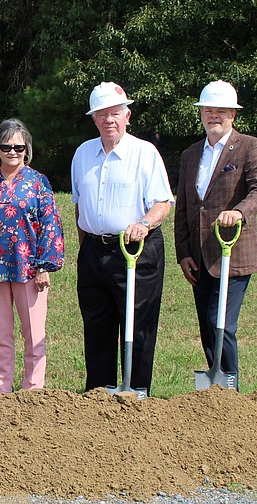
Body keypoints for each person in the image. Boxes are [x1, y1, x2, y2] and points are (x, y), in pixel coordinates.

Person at [71, 81, 173, 395]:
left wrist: (143, 223)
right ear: (94, 119)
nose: (109, 120)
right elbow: (78, 206)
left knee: (137, 327)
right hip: (93, 250)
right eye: (102, 114)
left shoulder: (145, 153)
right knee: (97, 326)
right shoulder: (83, 154)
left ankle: (137, 393)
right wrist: (87, 245)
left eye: (115, 113)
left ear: (127, 115)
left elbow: (163, 202)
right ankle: (99, 393)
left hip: (136, 250)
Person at [175, 80, 257, 380]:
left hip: (233, 252)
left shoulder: (250, 147)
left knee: (221, 322)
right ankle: (215, 387)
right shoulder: (191, 154)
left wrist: (239, 212)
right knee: (207, 324)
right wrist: (183, 253)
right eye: (208, 110)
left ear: (233, 114)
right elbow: (184, 207)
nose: (213, 116)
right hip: (199, 256)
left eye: (221, 111)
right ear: (201, 114)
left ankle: (230, 388)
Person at [0, 118, 65, 394]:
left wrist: (45, 265)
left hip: (30, 270)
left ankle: (33, 392)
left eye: (18, 147)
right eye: (6, 146)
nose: (12, 152)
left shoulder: (38, 182)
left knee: (34, 335)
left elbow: (50, 224)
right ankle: (2, 390)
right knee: (0, 336)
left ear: (27, 149)